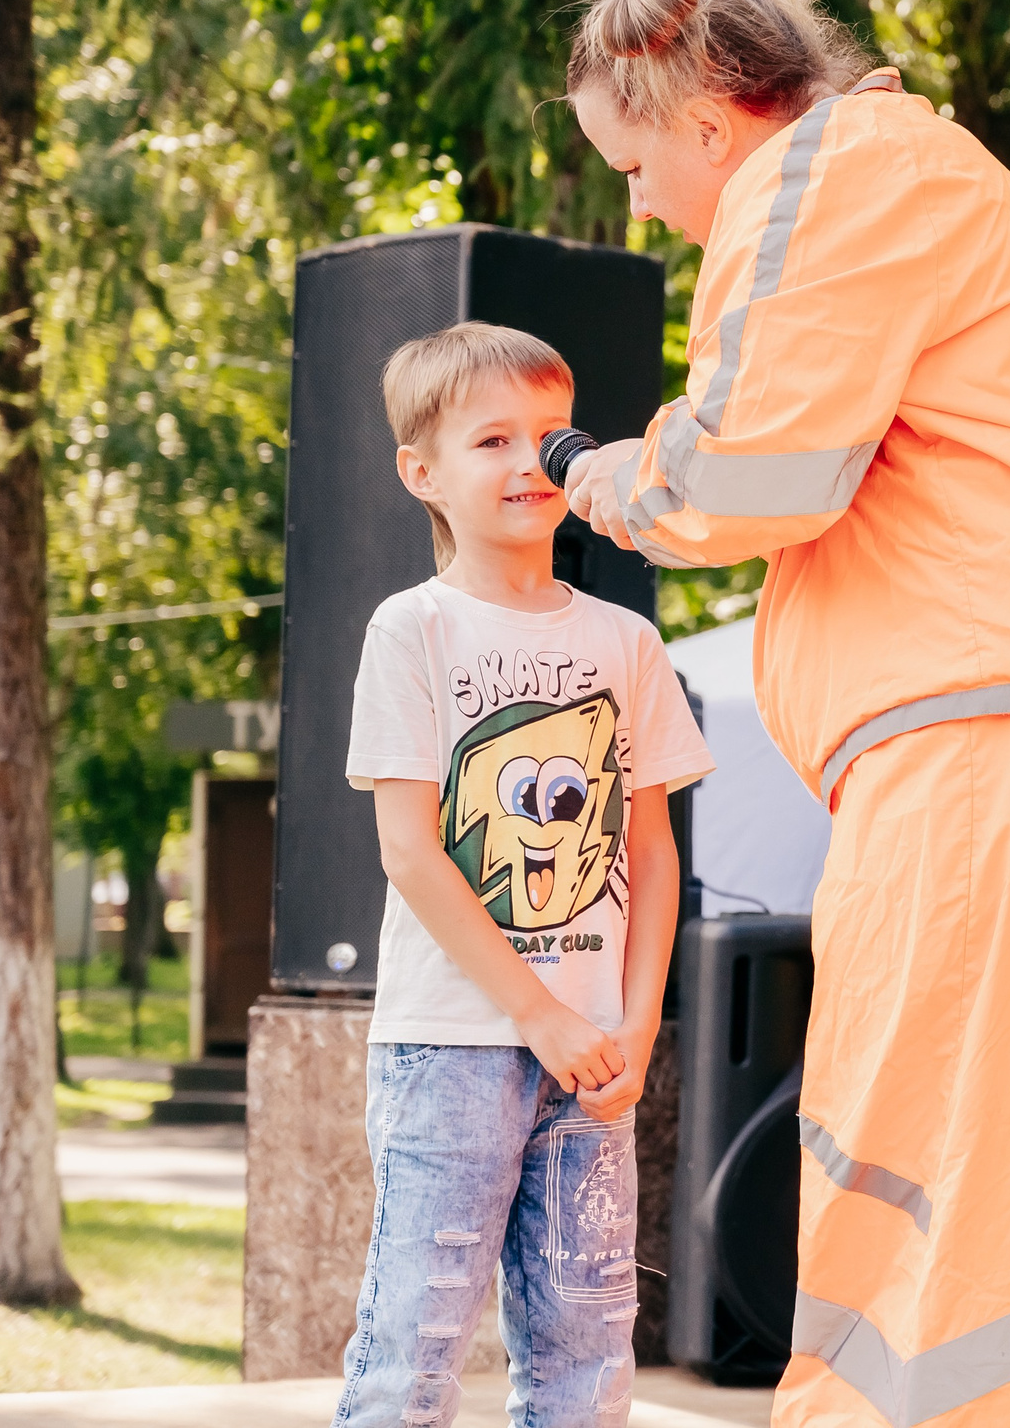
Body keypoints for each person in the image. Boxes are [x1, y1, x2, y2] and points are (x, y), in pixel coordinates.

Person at [559, 0, 1010, 1428]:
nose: (642, 204)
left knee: (917, 1162)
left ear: (710, 123)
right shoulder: (935, 176)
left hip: (990, 729)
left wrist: (613, 476)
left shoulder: (823, 175)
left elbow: (754, 466)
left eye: (634, 165)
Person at [336, 322, 714, 1427]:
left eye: (550, 434)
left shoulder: (626, 641)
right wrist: (538, 1012)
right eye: (492, 438)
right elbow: (410, 848)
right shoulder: (412, 627)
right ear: (423, 473)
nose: (529, 461)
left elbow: (649, 848)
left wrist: (635, 1025)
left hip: (595, 1058)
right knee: (413, 1348)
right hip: (452, 1049)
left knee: (586, 1357)